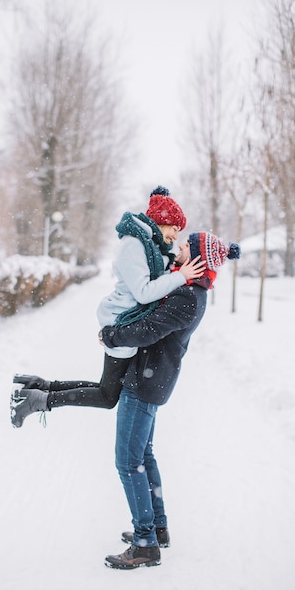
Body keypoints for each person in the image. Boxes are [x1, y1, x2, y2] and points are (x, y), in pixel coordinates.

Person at [100, 231, 241, 570]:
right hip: (151, 378)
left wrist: (112, 334)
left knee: (127, 461)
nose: (178, 247)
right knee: (143, 454)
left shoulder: (189, 297)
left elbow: (148, 329)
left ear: (197, 259)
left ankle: (145, 543)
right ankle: (157, 527)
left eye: (185, 246)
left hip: (146, 381)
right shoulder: (190, 290)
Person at [11, 186, 205, 428]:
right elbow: (144, 292)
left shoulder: (149, 246)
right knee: (107, 396)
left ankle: (38, 388)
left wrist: (176, 267)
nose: (176, 236)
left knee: (106, 388)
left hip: (126, 320)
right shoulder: (134, 244)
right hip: (121, 321)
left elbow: (156, 275)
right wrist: (180, 276)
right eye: (175, 229)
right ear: (162, 222)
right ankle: (36, 400)